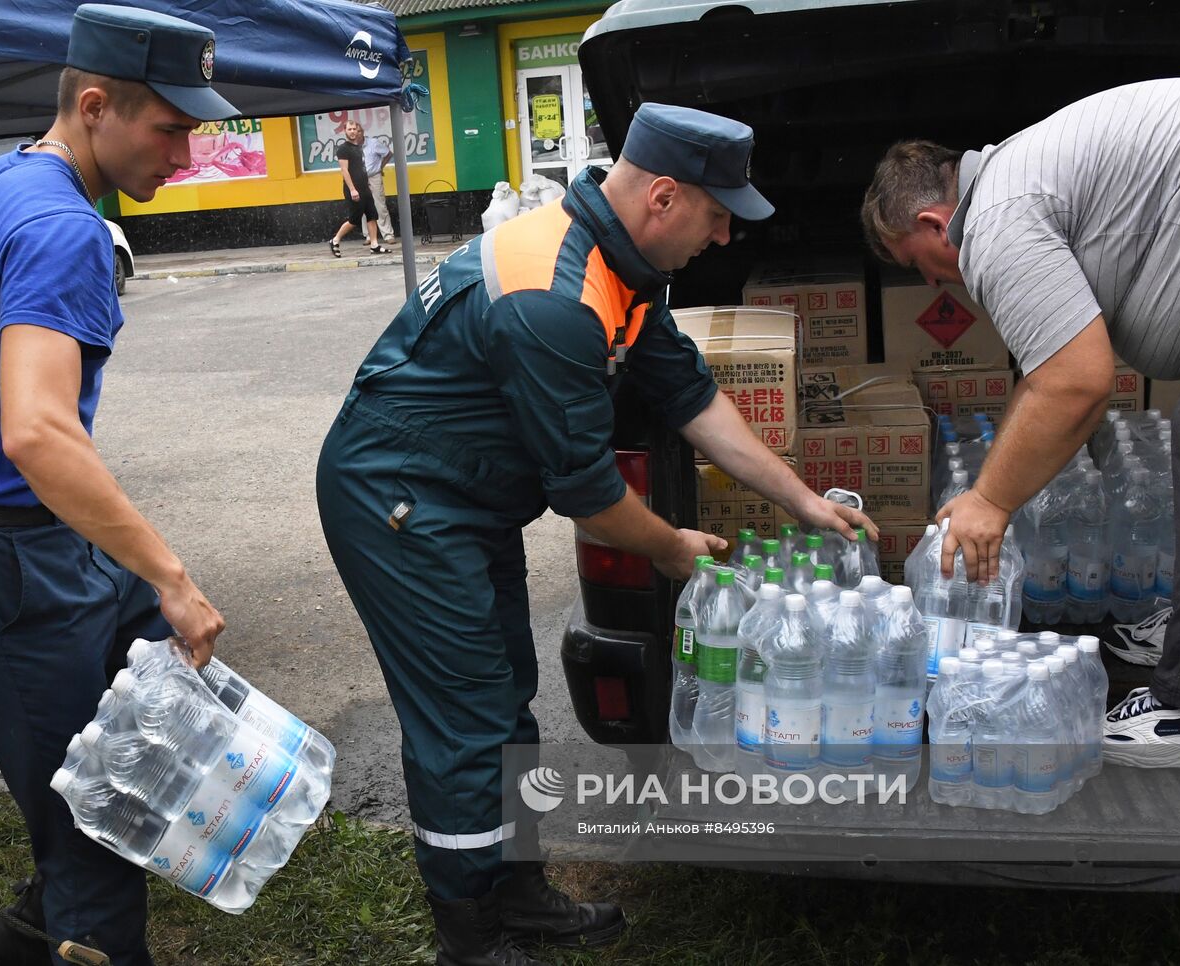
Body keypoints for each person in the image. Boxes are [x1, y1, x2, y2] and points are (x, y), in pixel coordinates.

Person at [317, 102, 878, 965]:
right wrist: (670, 547)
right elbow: (591, 495)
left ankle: (517, 890)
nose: (725, 239)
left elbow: (689, 396)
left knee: (507, 690)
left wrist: (801, 500)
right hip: (401, 502)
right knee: (464, 718)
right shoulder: (553, 299)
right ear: (662, 197)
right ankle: (467, 935)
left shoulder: (627, 270)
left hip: (463, 498)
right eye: (719, 216)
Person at [0, 5, 233, 963]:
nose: (186, 154)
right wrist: (172, 576)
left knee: (107, 783)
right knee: (99, 834)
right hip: (17, 564)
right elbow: (41, 432)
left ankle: (6, 949)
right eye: (170, 128)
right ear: (95, 106)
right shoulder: (67, 230)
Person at [861, 77, 1180, 772]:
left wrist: (991, 502)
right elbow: (1049, 377)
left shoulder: (995, 217)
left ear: (933, 224)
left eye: (918, 267)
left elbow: (1077, 383)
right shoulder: (1021, 176)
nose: (933, 285)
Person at [329, 119, 388, 256]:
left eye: (354, 129)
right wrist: (352, 189)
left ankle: (374, 245)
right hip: (354, 189)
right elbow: (345, 171)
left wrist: (365, 183)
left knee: (372, 215)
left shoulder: (358, 147)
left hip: (364, 188)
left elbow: (360, 168)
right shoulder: (343, 149)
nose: (352, 132)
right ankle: (335, 240)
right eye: (349, 129)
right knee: (354, 219)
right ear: (345, 131)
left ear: (358, 131)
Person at [360, 132, 396, 244]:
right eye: (351, 130)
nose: (355, 134)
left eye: (357, 131)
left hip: (374, 176)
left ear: (362, 133)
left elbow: (388, 153)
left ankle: (388, 234)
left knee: (380, 205)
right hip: (360, 179)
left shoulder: (373, 143)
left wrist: (380, 167)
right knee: (363, 207)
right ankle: (368, 236)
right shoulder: (351, 147)